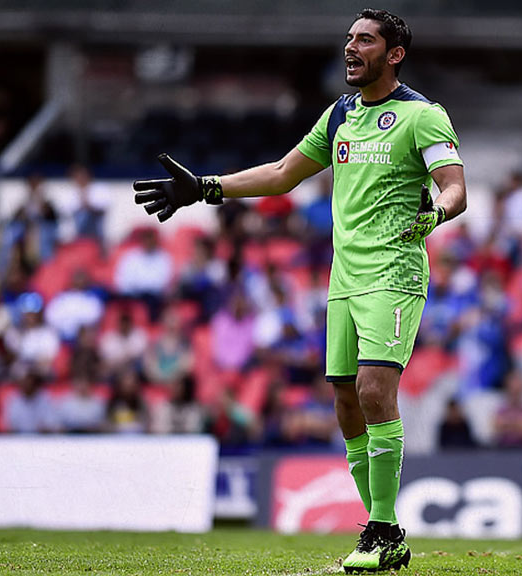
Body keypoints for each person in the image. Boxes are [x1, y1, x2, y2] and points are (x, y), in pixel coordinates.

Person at [132, 9, 466, 572]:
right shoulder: (340, 114)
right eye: (349, 38)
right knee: (345, 400)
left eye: (365, 40)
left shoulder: (421, 117)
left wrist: (433, 212)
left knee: (375, 389)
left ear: (394, 54)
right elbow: (284, 172)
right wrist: (207, 188)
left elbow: (454, 187)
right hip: (344, 277)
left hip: (394, 273)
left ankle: (383, 530)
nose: (350, 48)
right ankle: (381, 534)